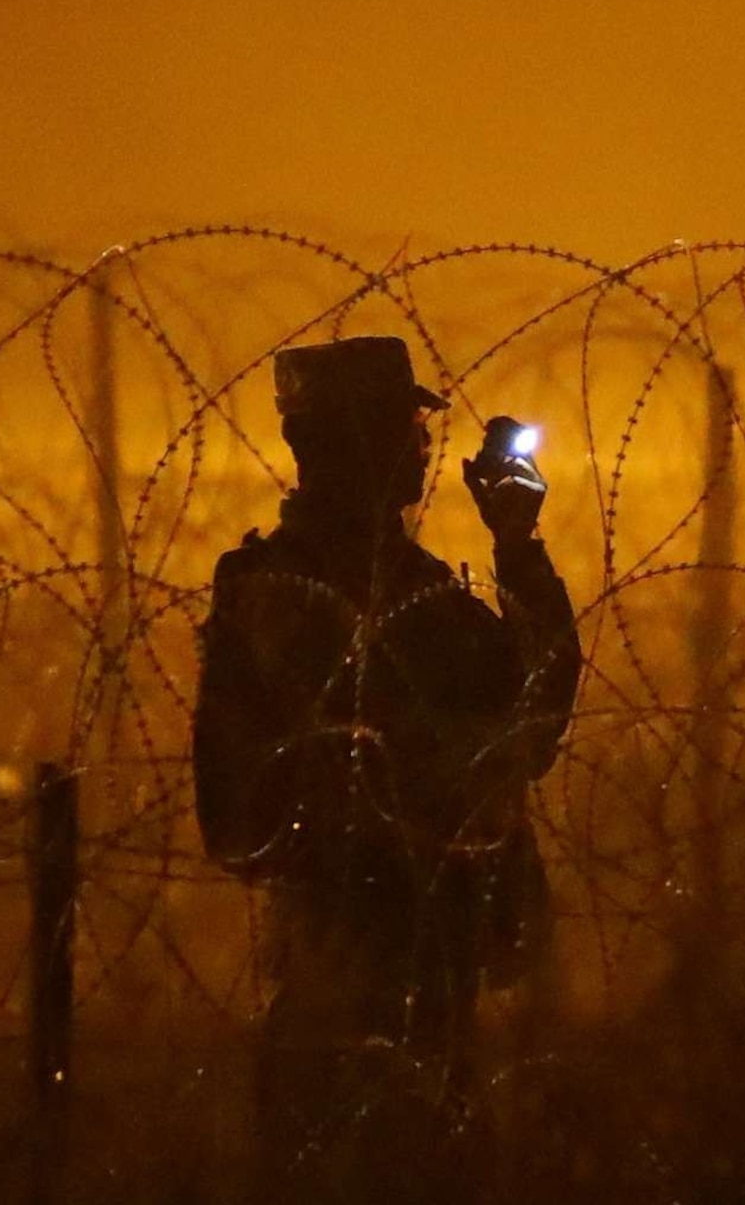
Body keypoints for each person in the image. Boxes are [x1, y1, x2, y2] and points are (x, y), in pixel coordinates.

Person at [194, 335, 579, 1120]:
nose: (424, 447)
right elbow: (531, 719)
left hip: (379, 968)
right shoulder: (320, 595)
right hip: (368, 966)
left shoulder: (374, 590)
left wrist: (515, 542)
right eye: (405, 427)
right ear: (355, 443)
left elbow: (529, 721)